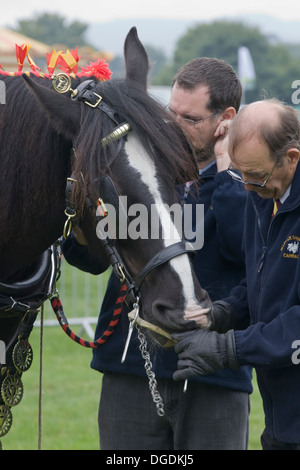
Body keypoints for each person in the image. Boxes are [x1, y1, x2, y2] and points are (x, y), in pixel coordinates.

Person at [62, 57, 252, 450]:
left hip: (214, 371)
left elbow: (241, 248)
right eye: (171, 111)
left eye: (191, 118)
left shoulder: (250, 177)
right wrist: (82, 225)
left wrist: (227, 169)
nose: (174, 124)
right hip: (130, 364)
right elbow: (92, 260)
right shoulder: (141, 168)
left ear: (226, 119)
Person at [173, 99, 300, 450]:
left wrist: (230, 348)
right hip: (281, 419)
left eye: (255, 175)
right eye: (239, 172)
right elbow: (262, 282)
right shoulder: (263, 195)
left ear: (291, 158)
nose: (245, 186)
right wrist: (221, 313)